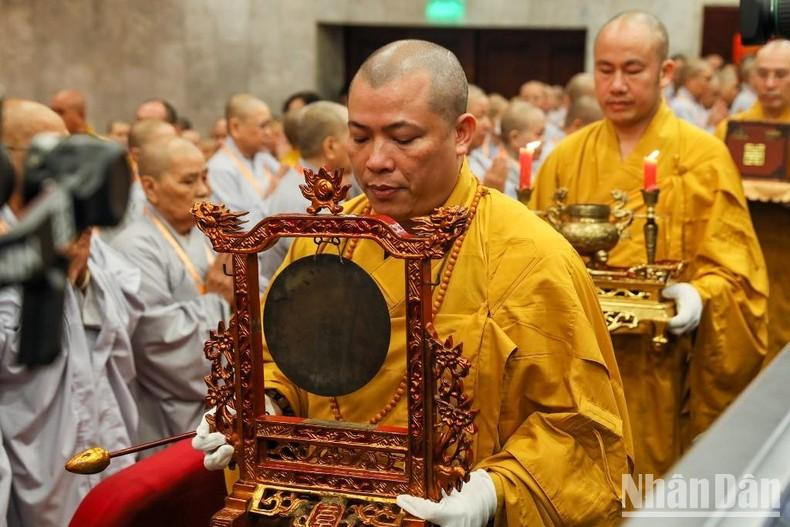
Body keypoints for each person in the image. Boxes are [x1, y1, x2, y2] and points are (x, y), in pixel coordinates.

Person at [195, 39, 633, 526]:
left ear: (462, 134)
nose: (376, 161)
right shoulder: (325, 244)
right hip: (324, 508)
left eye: (403, 139)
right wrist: (262, 404)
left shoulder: (531, 256)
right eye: (360, 137)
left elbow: (582, 428)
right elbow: (279, 360)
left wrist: (493, 490)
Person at [532, 11, 768, 478]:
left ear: (665, 73)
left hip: (660, 373)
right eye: (605, 70)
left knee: (648, 492)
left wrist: (700, 295)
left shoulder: (703, 158)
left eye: (633, 70)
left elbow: (738, 276)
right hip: (578, 378)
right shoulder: (565, 158)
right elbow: (531, 264)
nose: (616, 85)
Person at [0, 99, 140, 527]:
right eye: (51, 150)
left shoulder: (69, 219)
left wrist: (80, 279)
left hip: (99, 414)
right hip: (37, 429)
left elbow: (129, 308)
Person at [112, 137, 232, 445]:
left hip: (228, 406)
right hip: (171, 415)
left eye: (204, 177)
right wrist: (219, 301)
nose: (204, 190)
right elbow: (156, 342)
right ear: (150, 187)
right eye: (189, 181)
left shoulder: (207, 233)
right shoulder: (134, 247)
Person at [715, 39, 790, 364]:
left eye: (781, 75)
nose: (769, 84)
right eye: (763, 73)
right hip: (742, 257)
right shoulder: (730, 130)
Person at [259, 101, 354, 281]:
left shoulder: (307, 181)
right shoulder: (308, 200)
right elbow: (322, 276)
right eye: (355, 139)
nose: (358, 148)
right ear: (331, 146)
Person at [207, 94, 279, 226]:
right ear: (235, 127)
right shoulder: (220, 168)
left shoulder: (264, 158)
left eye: (269, 126)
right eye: (263, 126)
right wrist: (272, 194)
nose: (269, 133)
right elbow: (237, 226)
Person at [465, 85, 508, 192]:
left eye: (488, 116)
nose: (488, 125)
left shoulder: (480, 159)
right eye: (480, 116)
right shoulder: (448, 166)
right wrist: (489, 190)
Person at [499, 100, 546, 196]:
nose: (543, 140)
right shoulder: (503, 172)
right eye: (538, 134)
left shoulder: (536, 164)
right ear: (515, 138)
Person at [669, 58, 716, 130]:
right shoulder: (681, 106)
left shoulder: (695, 103)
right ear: (691, 79)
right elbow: (690, 136)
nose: (709, 85)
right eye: (707, 79)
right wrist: (710, 124)